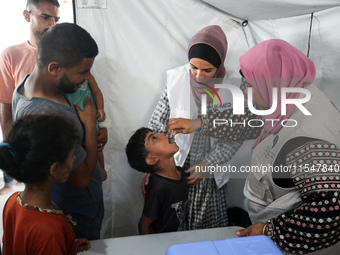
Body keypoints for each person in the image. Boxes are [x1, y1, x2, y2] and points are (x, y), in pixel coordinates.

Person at [167, 39, 340, 254]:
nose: (246, 93)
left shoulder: (308, 138)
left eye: (250, 85)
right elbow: (248, 122)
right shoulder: (291, 95)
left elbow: (333, 210)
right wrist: (199, 123)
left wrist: (273, 231)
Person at [12, 23, 106, 240]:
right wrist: (90, 129)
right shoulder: (49, 115)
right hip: (74, 211)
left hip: (76, 205)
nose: (87, 78)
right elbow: (80, 179)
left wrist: (87, 133)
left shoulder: (27, 84)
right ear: (54, 68)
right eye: (82, 72)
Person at [146, 25, 242, 230]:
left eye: (207, 70)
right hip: (176, 167)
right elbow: (156, 124)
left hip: (210, 172)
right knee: (174, 224)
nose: (198, 76)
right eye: (193, 67)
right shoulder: (176, 79)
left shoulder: (235, 85)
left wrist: (207, 164)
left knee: (205, 230)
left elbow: (235, 135)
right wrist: (155, 166)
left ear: (220, 64)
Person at [0, 114, 91, 254]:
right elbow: (43, 239)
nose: (74, 158)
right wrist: (55, 244)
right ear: (55, 169)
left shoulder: (12, 202)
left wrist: (66, 246)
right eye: (71, 155)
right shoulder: (50, 231)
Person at [0, 0, 60, 195]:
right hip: (29, 150)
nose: (51, 24)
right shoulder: (10, 55)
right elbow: (6, 107)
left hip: (63, 146)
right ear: (27, 16)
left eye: (56, 19)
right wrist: (12, 151)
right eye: (45, 17)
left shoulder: (64, 54)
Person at [126, 127, 189, 234]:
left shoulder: (182, 173)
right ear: (152, 159)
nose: (161, 134)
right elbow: (144, 225)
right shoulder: (157, 186)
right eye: (154, 138)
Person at [65, 74, 108, 181]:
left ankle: (102, 169)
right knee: (82, 150)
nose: (87, 74)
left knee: (96, 145)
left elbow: (96, 91)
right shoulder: (63, 81)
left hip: (92, 115)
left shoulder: (88, 76)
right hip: (74, 119)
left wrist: (101, 108)